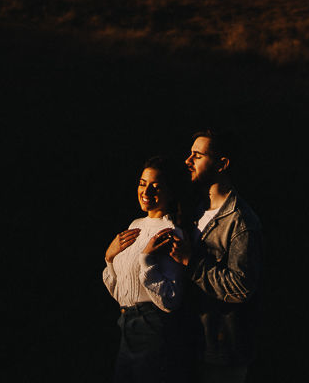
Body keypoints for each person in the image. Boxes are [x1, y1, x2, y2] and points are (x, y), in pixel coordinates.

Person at [169, 129, 263, 383]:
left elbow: (241, 286)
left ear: (222, 164)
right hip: (190, 340)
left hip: (221, 350)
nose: (188, 161)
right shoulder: (194, 211)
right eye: (190, 154)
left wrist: (192, 264)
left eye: (197, 156)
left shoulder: (240, 220)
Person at [103, 157, 186, 383]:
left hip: (152, 327)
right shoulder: (135, 225)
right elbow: (121, 293)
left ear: (170, 191)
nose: (146, 190)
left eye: (156, 186)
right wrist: (109, 257)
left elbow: (170, 301)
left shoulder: (170, 232)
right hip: (126, 324)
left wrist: (146, 261)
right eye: (142, 183)